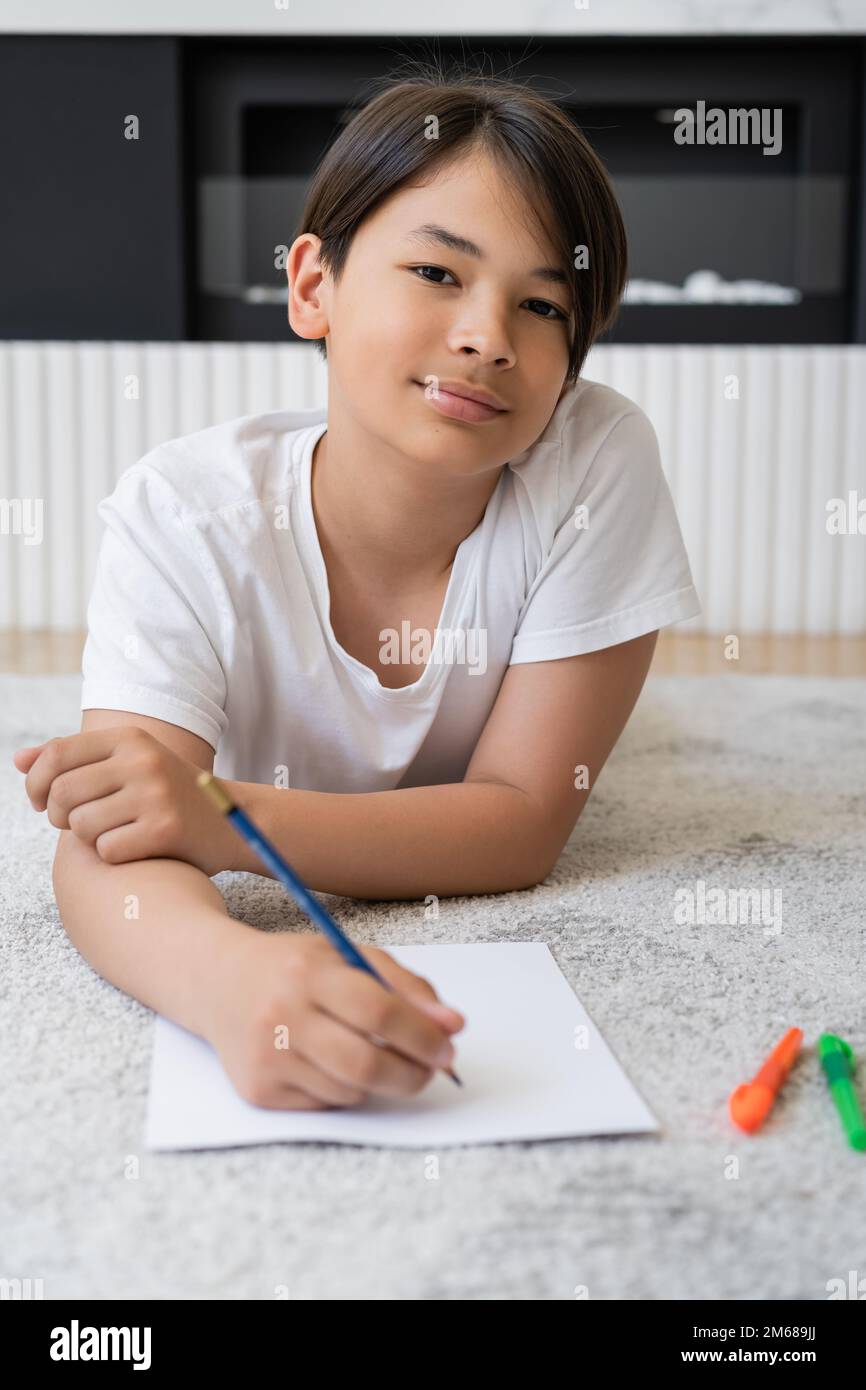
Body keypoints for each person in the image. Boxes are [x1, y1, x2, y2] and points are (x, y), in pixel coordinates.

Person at [16, 63, 701, 1111]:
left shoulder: (593, 456)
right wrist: (230, 978)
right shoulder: (184, 512)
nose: (486, 338)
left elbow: (520, 820)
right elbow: (112, 835)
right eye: (437, 273)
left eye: (541, 305)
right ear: (311, 287)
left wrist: (222, 816)